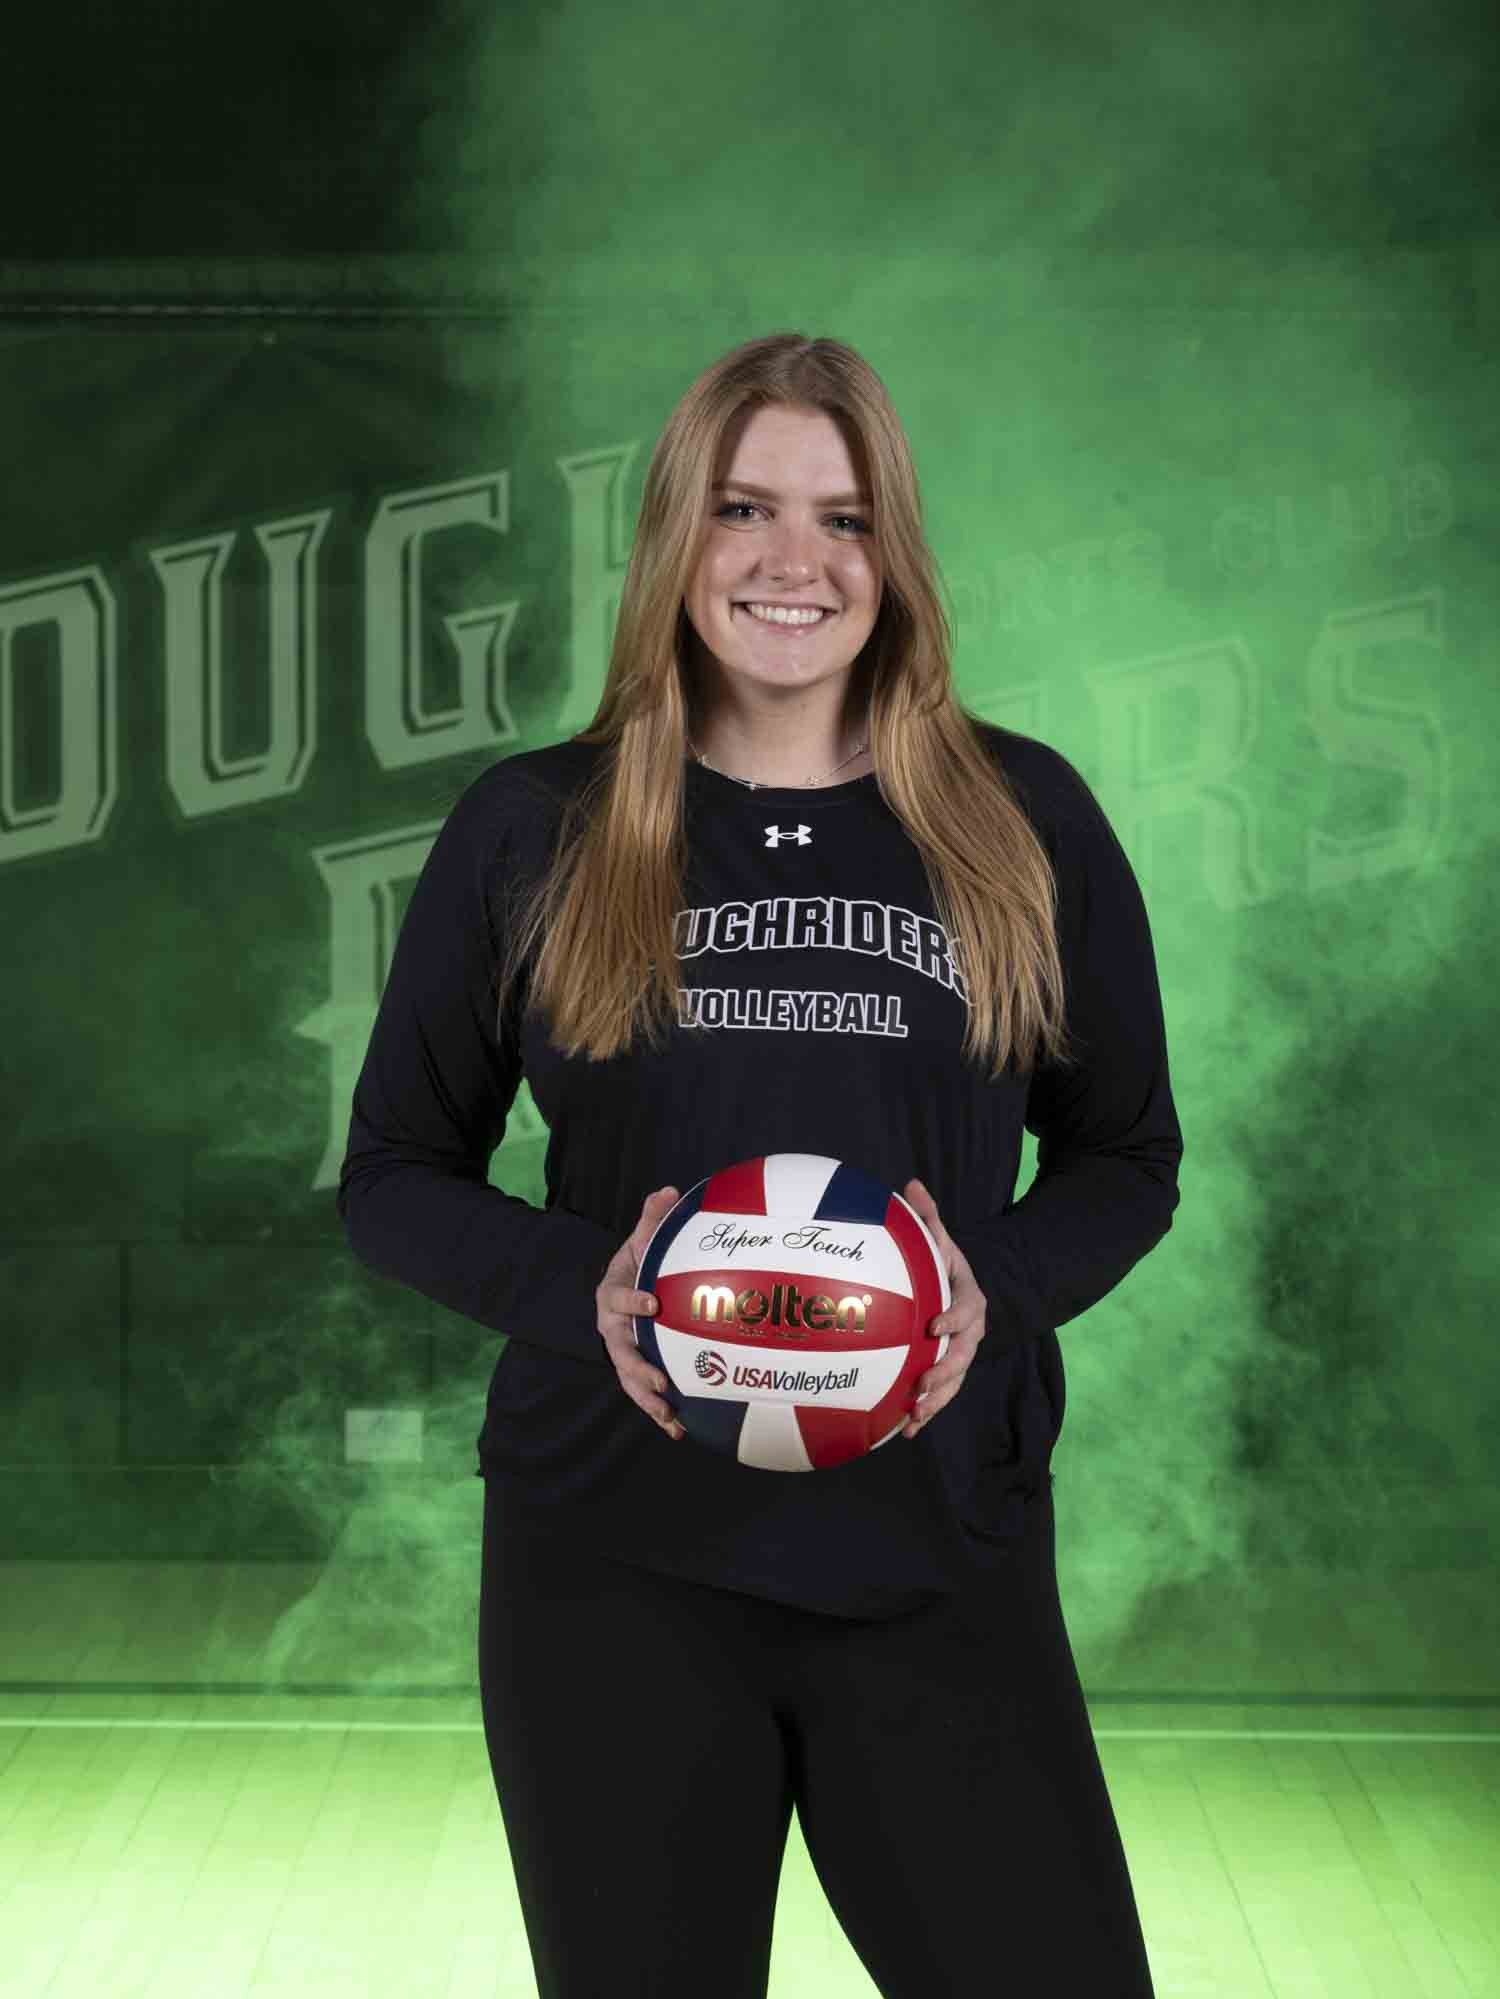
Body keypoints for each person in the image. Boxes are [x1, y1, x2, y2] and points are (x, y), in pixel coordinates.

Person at [337, 332, 1183, 1997]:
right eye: (745, 508)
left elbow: (1128, 1156)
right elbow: (392, 1171)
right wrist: (582, 1291)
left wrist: (989, 1290)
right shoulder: (538, 825)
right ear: (676, 533)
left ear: (895, 554)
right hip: (612, 1568)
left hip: (939, 1557)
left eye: (845, 519)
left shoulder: (1023, 818)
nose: (797, 561)